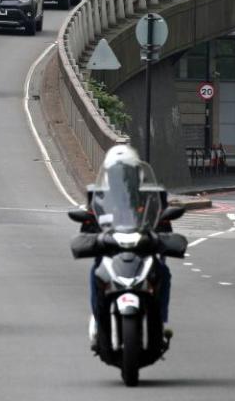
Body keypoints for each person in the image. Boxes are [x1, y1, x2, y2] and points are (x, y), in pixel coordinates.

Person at [72, 144, 181, 349]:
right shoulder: (101, 197)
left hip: (141, 250)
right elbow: (87, 224)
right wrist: (89, 228)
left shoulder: (148, 196)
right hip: (111, 251)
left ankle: (160, 319)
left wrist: (163, 230)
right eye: (116, 172)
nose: (122, 177)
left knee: (163, 273)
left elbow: (163, 222)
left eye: (127, 171)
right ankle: (98, 317)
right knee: (96, 273)